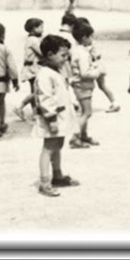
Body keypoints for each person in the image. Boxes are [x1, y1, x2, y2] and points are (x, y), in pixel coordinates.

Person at [33, 34, 81, 197]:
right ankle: (45, 182)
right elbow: (45, 99)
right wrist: (51, 119)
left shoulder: (56, 71)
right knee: (48, 148)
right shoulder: (44, 74)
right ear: (50, 55)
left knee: (58, 145)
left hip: (60, 116)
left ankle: (58, 175)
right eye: (63, 55)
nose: (65, 59)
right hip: (52, 118)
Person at [74, 16, 121, 114]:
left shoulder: (87, 44)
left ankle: (114, 102)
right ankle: (114, 102)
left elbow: (97, 55)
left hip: (95, 66)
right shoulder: (86, 42)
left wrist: (93, 58)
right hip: (95, 66)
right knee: (100, 85)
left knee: (100, 85)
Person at [68, 20, 102, 148]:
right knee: (87, 113)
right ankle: (75, 137)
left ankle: (83, 135)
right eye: (91, 36)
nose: (92, 39)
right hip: (82, 85)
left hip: (80, 85)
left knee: (84, 111)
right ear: (84, 38)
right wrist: (97, 71)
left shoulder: (77, 50)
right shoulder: (82, 53)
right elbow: (85, 73)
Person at [14, 17, 44, 122]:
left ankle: (35, 113)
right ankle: (20, 107)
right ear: (33, 29)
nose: (42, 29)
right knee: (37, 92)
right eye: (40, 27)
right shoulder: (33, 40)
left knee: (34, 90)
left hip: (32, 68)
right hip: (34, 69)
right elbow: (42, 52)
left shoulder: (31, 39)